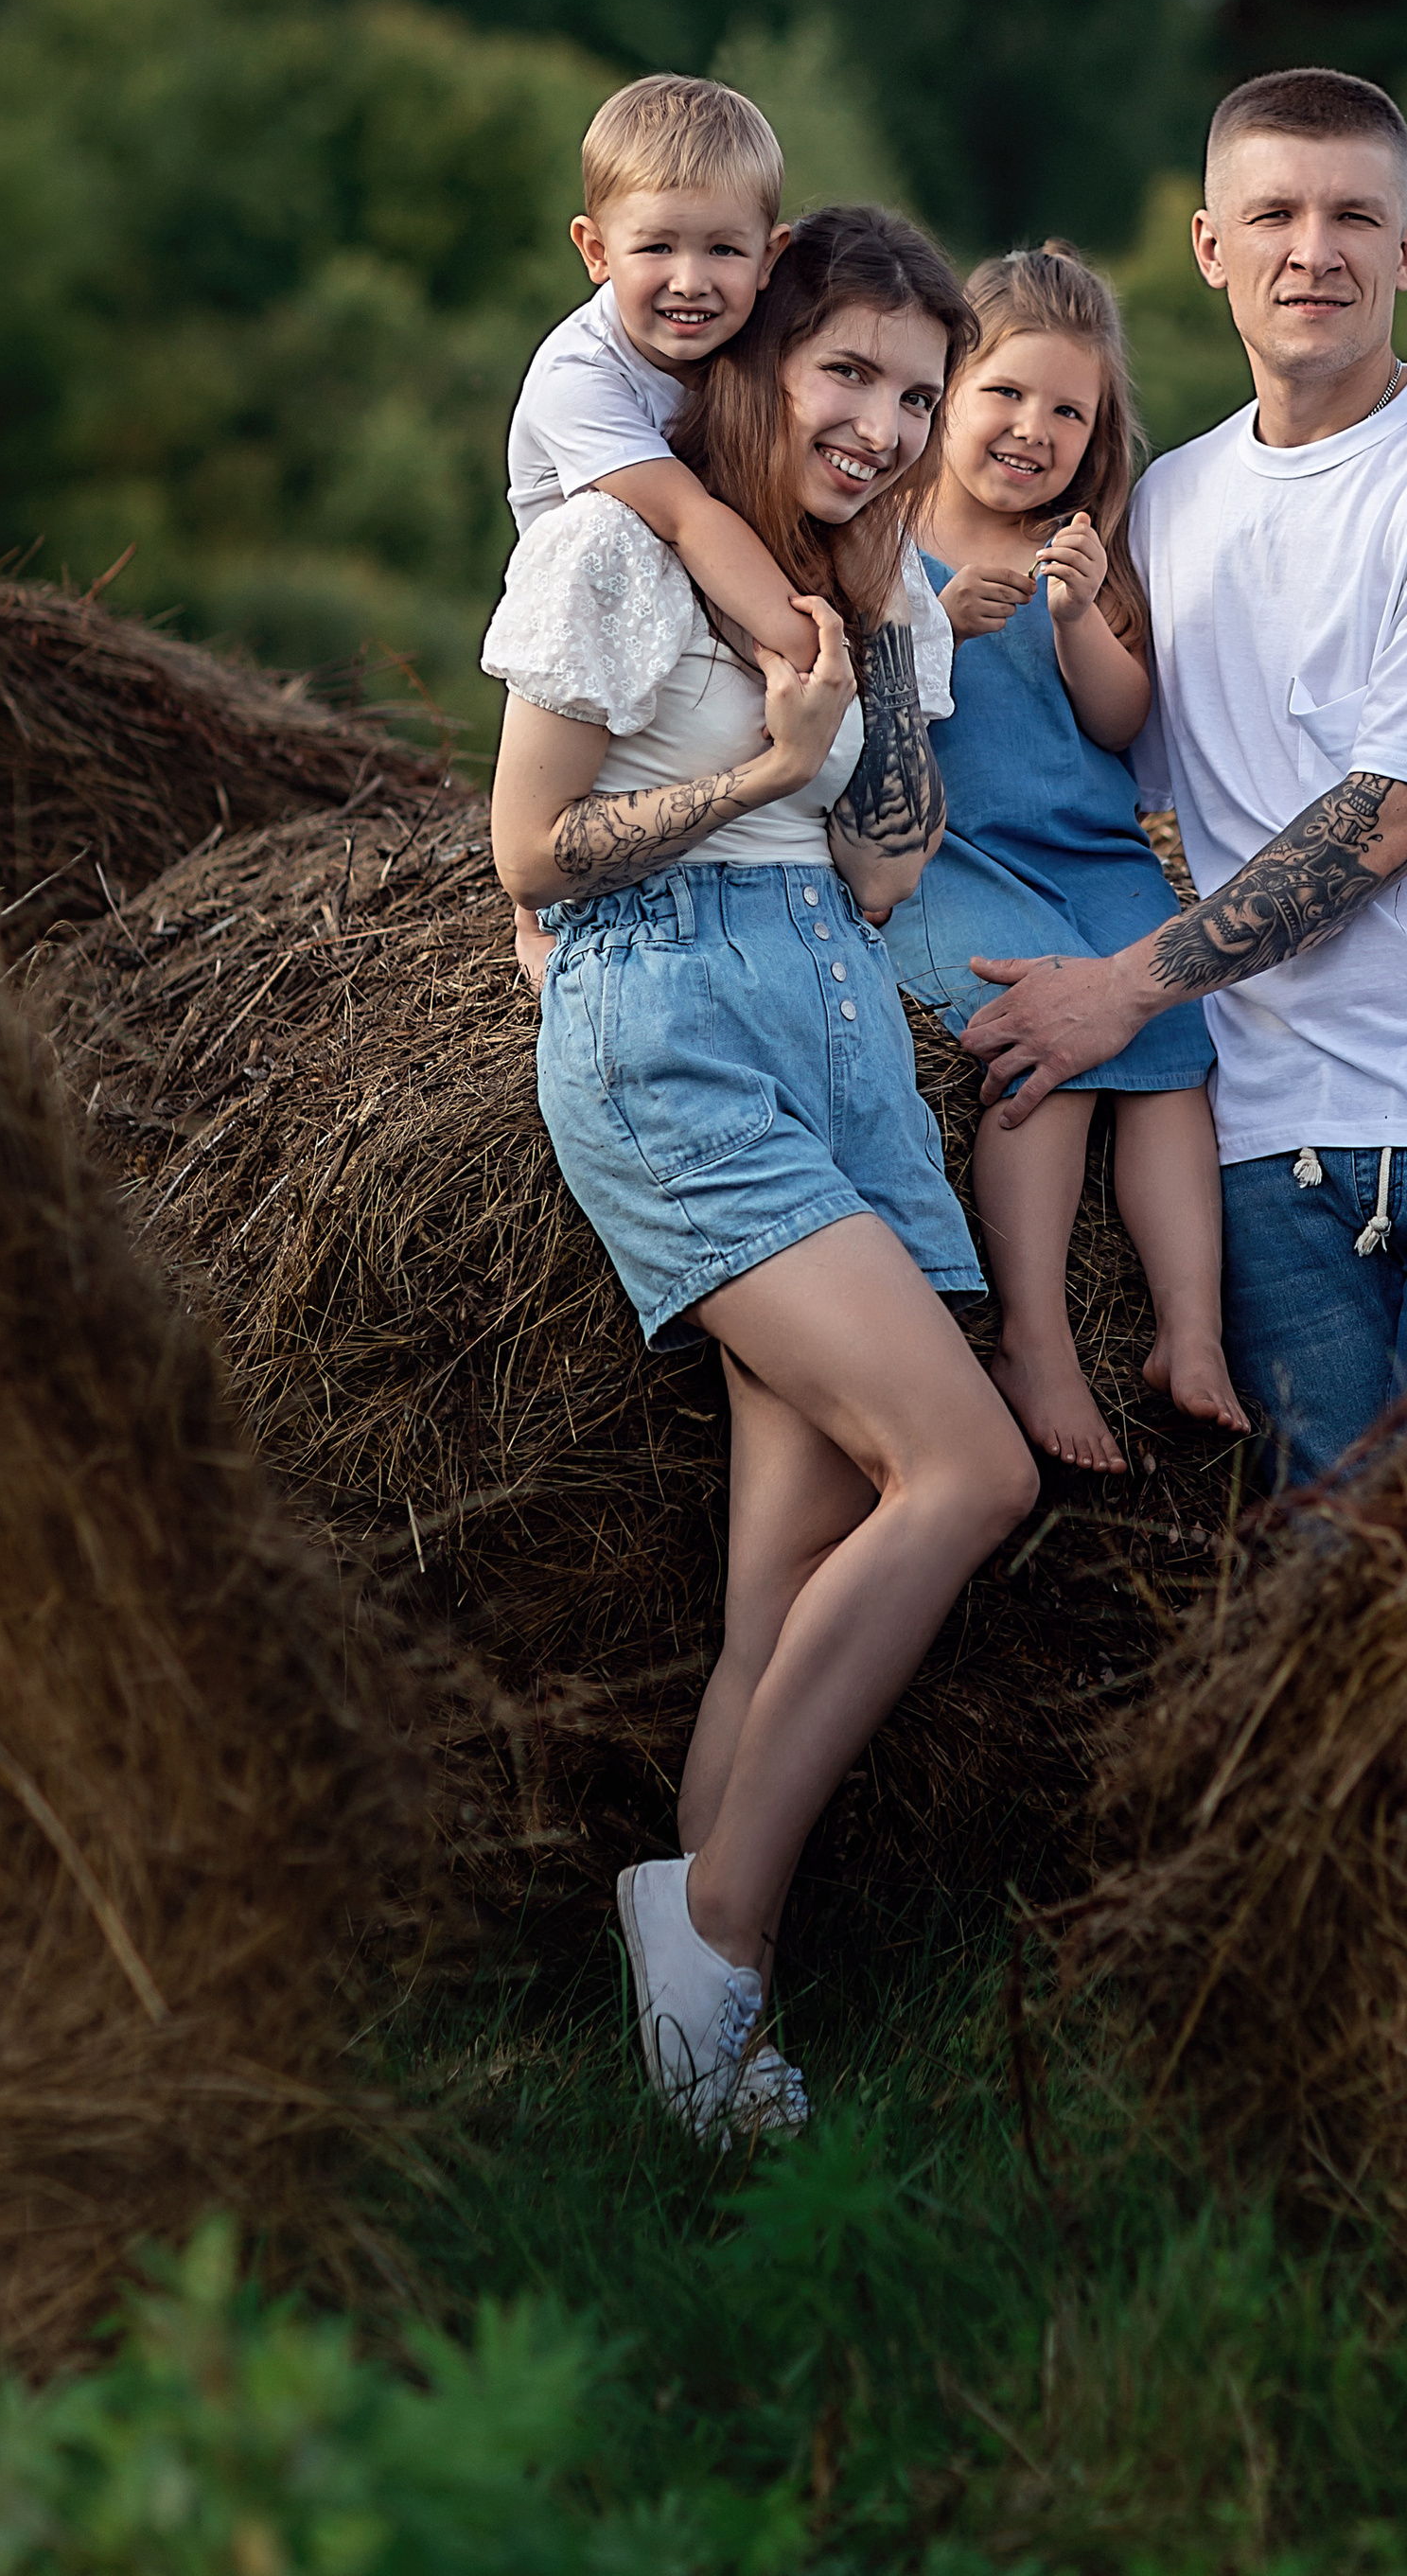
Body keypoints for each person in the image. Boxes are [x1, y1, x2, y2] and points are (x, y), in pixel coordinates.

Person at [485, 205, 1039, 2138]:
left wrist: (872, 629)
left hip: (836, 1020)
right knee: (970, 1469)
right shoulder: (611, 551)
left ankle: (699, 2064)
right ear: (754, 365)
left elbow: (885, 864)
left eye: (917, 394)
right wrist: (752, 770)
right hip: (675, 1030)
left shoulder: (876, 587)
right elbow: (531, 853)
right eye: (846, 375)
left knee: (785, 1580)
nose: (885, 425)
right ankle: (709, 1929)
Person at [959, 68, 1407, 1493]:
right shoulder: (1169, 504)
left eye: (1353, 218)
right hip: (1273, 1147)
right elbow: (1094, 758)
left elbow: (1393, 819)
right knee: (1318, 1582)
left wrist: (1119, 991)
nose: (1311, 252)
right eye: (1273, 215)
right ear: (1211, 247)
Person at [884, 247, 1240, 1473]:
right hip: (953, 860)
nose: (1033, 429)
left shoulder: (1081, 554)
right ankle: (1035, 1341)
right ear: (942, 390)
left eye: (1068, 412)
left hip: (1093, 855)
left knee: (1176, 1043)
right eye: (1004, 393)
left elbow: (1121, 720)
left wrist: (1075, 614)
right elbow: (851, 723)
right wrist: (935, 628)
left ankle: (1190, 1333)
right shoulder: (883, 546)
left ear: (1097, 436)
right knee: (1052, 1039)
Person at [503, 71, 824, 985]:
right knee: (571, 744)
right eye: (657, 247)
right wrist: (805, 642)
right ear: (594, 249)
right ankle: (533, 912)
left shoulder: (746, 343)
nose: (691, 281)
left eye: (724, 249)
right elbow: (685, 517)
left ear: (771, 255)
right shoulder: (579, 375)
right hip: (591, 612)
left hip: (700, 580)